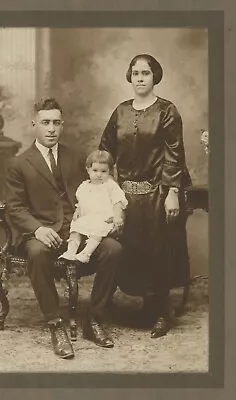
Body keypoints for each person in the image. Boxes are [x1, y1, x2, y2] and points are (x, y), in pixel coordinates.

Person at [6, 98, 123, 360]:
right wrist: (37, 229)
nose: (51, 129)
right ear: (34, 124)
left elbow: (96, 191)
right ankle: (55, 323)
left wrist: (106, 216)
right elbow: (14, 208)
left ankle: (94, 319)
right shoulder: (19, 163)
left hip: (78, 228)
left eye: (56, 123)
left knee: (113, 249)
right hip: (41, 231)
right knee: (36, 252)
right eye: (45, 122)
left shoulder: (77, 157)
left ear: (62, 125)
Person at [99, 54, 192, 338]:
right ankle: (123, 305)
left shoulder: (167, 111)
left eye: (146, 73)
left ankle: (161, 312)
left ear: (155, 77)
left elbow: (174, 154)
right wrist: (102, 186)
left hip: (157, 193)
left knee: (158, 252)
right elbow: (106, 149)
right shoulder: (121, 111)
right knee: (125, 248)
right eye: (135, 73)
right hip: (126, 194)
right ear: (129, 77)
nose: (140, 78)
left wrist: (172, 192)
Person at [59, 150, 128, 263]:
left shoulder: (110, 186)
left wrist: (117, 216)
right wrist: (78, 210)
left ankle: (86, 253)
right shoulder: (84, 186)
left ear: (109, 171)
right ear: (88, 170)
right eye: (95, 170)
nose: (99, 174)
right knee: (76, 228)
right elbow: (81, 202)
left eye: (103, 171)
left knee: (97, 232)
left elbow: (118, 202)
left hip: (104, 218)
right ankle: (71, 251)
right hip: (88, 217)